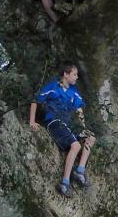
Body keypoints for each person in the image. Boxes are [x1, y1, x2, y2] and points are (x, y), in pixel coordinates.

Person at [29, 62, 95, 197]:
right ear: (66, 74)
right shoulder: (53, 86)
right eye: (74, 74)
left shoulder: (73, 92)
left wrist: (82, 127)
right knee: (76, 146)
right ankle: (65, 183)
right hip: (54, 121)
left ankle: (80, 170)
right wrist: (32, 121)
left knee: (90, 137)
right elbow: (35, 100)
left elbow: (79, 110)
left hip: (67, 125)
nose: (77, 77)